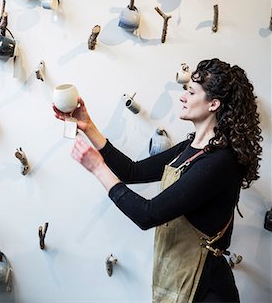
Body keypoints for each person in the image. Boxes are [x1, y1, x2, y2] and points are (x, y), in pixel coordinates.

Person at [53, 58, 262, 303]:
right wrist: (89, 127)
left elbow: (148, 214)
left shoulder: (221, 162)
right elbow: (133, 172)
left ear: (213, 104)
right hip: (178, 280)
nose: (183, 97)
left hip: (206, 290)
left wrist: (99, 169)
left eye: (191, 91)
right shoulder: (191, 147)